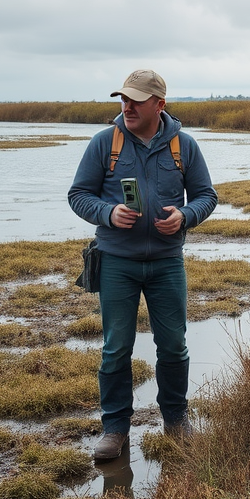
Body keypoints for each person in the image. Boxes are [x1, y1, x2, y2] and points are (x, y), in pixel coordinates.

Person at [69, 69, 217, 460]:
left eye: (136, 99)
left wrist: (185, 216)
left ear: (160, 105)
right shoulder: (106, 143)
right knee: (116, 348)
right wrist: (108, 212)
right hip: (117, 262)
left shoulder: (183, 147)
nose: (128, 106)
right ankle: (114, 429)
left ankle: (176, 422)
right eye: (124, 98)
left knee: (174, 345)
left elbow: (206, 196)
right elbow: (78, 195)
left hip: (167, 264)